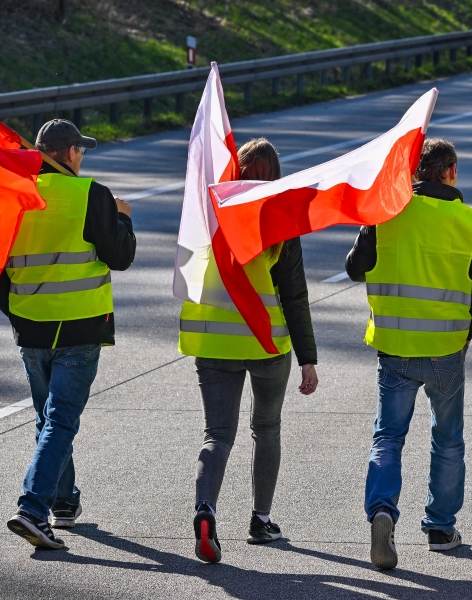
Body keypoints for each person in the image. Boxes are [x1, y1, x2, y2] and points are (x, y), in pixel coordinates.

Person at [345, 138, 472, 570]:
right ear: (450, 172)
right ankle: (439, 527)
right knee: (447, 439)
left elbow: (354, 268)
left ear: (414, 174)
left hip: (395, 348)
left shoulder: (386, 211)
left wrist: (374, 217)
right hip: (446, 349)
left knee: (388, 437)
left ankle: (381, 513)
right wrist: (466, 335)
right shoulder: (470, 221)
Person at [0, 119, 136, 549]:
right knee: (61, 419)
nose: (82, 158)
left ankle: (63, 503)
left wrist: (17, 309)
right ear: (68, 154)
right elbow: (120, 258)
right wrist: (122, 219)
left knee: (49, 419)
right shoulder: (91, 195)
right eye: (80, 151)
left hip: (31, 330)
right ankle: (32, 507)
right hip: (80, 328)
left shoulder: (15, 197)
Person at [178, 138, 319, 564]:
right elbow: (294, 294)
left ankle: (206, 510)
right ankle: (260, 520)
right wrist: (307, 358)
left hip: (214, 340)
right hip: (265, 342)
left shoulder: (210, 213)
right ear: (275, 177)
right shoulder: (280, 221)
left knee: (217, 434)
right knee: (267, 428)